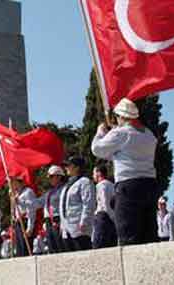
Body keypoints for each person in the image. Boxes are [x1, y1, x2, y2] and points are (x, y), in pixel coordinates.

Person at [91, 98, 159, 246]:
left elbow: (97, 149)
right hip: (150, 184)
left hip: (129, 186)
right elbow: (118, 154)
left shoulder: (121, 133)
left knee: (128, 235)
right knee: (149, 235)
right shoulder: (149, 134)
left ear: (122, 116)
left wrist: (101, 132)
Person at [59, 156, 96, 252]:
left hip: (79, 227)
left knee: (82, 255)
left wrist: (84, 221)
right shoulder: (67, 186)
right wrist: (62, 225)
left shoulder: (85, 182)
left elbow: (88, 203)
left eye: (68, 165)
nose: (66, 168)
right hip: (67, 229)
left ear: (77, 167)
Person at [36, 165, 66, 253]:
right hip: (48, 220)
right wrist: (22, 201)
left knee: (59, 244)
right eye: (49, 177)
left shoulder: (63, 189)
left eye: (52, 176)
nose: (50, 179)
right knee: (51, 244)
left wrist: (61, 221)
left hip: (57, 218)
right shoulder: (49, 192)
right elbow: (38, 203)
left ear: (59, 177)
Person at [10, 175, 37, 257]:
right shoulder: (16, 194)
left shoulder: (28, 192)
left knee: (25, 248)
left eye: (13, 182)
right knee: (19, 249)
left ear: (18, 182)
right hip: (18, 223)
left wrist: (30, 227)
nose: (11, 184)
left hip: (25, 221)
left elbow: (31, 209)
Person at [92, 165, 117, 248]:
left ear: (99, 173)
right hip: (112, 218)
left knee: (99, 244)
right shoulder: (112, 185)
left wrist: (109, 216)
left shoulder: (101, 185)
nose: (93, 176)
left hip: (103, 217)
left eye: (94, 173)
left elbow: (104, 202)